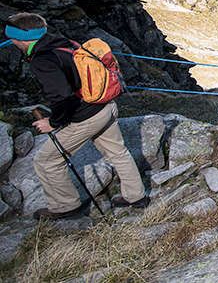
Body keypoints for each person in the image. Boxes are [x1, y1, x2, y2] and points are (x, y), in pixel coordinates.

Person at [5, 13, 148, 220]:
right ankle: (137, 197)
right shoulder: (63, 42)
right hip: (105, 106)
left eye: (12, 37)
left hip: (86, 117)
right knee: (118, 152)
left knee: (46, 161)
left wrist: (53, 123)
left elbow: (63, 97)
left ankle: (65, 206)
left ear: (19, 38)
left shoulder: (42, 60)